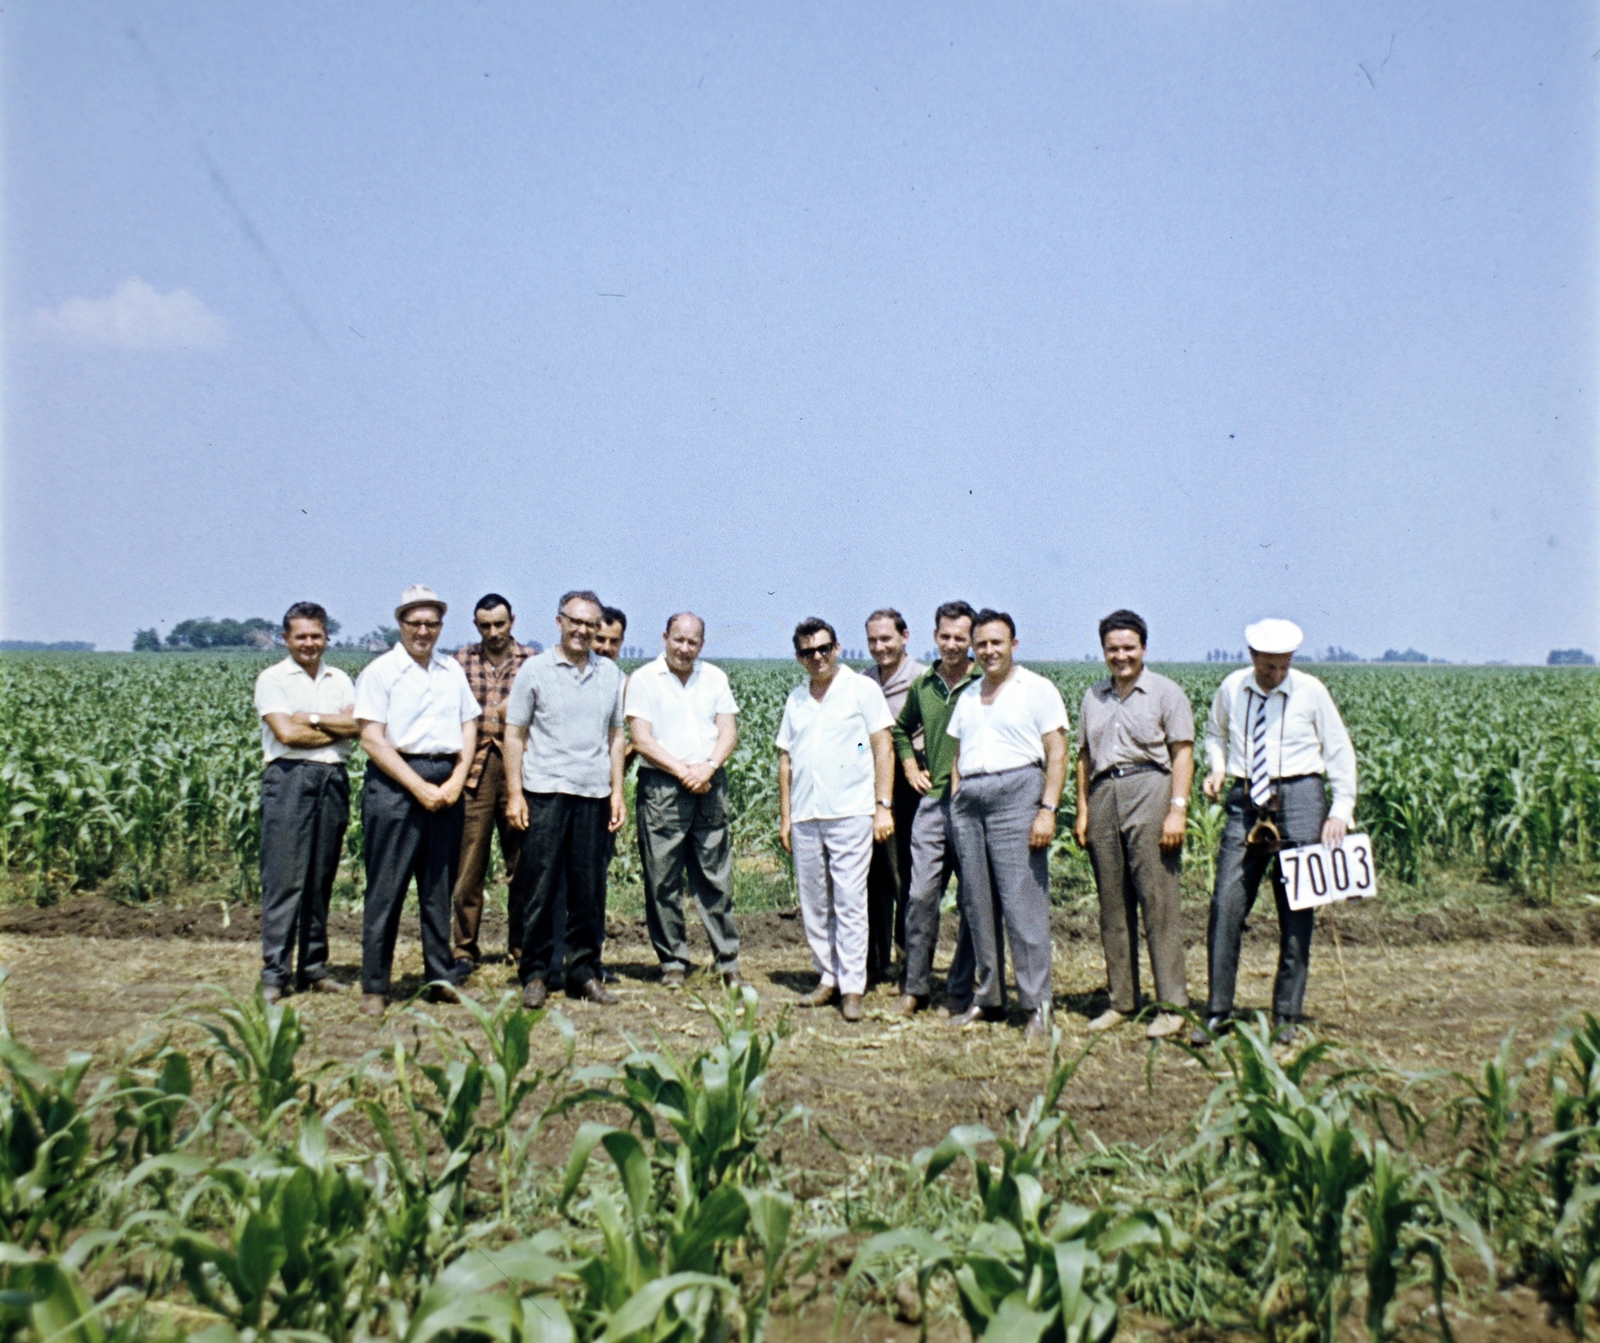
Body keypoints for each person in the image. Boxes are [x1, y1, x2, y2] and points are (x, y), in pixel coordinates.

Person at [1195, 618, 1357, 1046]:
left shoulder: (1312, 691)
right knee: (1225, 904)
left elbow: (1339, 750)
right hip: (1245, 799)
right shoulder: (1232, 688)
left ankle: (1286, 1013)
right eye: (1268, 667)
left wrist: (1340, 809)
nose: (1276, 674)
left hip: (1301, 796)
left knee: (1297, 909)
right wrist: (1216, 767)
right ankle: (1218, 1012)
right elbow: (1215, 733)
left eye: (1283, 665)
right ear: (1252, 658)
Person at [353, 585, 482, 1016]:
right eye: (415, 623)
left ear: (441, 626)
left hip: (446, 781)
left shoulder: (451, 671)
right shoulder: (380, 672)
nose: (423, 631)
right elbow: (372, 739)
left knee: (437, 888)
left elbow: (469, 728)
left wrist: (455, 781)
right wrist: (418, 787)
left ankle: (439, 977)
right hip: (395, 785)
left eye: (431, 623)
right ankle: (375, 984)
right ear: (401, 624)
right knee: (386, 889)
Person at [945, 610, 1069, 1039]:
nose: (989, 651)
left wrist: (1047, 810)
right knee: (978, 905)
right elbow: (959, 753)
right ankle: (989, 998)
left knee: (1022, 904)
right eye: (981, 644)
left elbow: (1057, 752)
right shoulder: (967, 696)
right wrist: (959, 793)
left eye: (997, 643)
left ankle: (1038, 1006)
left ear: (1013, 645)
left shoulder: (1037, 689)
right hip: (972, 800)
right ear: (973, 648)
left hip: (1018, 794)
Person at [1073, 610, 1195, 1041]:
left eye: (1129, 648)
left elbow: (1182, 752)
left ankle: (1172, 1006)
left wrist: (1177, 809)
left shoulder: (1166, 692)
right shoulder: (1094, 696)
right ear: (1103, 650)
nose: (1121, 656)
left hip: (1151, 789)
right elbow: (1084, 757)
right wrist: (1084, 811)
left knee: (1157, 901)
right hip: (1106, 792)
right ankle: (1122, 1000)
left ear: (1143, 648)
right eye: (1112, 649)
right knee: (1112, 903)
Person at [504, 590, 626, 1009]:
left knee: (589, 891)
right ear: (559, 622)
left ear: (598, 629)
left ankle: (583, 973)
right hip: (545, 794)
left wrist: (617, 794)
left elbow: (615, 737)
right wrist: (515, 794)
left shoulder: (610, 674)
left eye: (590, 625)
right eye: (575, 622)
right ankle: (536, 973)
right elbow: (514, 735)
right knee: (540, 887)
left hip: (592, 795)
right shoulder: (534, 671)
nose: (582, 631)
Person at [776, 617, 895, 1023]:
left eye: (824, 648)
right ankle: (827, 976)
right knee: (814, 901)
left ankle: (853, 987)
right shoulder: (796, 700)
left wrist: (882, 804)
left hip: (851, 811)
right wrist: (786, 816)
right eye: (809, 652)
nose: (818, 657)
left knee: (848, 899)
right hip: (807, 814)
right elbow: (786, 759)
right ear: (799, 658)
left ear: (837, 648)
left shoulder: (861, 689)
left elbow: (878, 744)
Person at [625, 612, 745, 988]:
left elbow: (728, 731)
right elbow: (641, 739)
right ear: (665, 637)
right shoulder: (644, 679)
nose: (684, 648)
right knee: (663, 879)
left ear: (701, 645)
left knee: (715, 876)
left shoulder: (715, 678)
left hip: (709, 783)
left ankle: (727, 961)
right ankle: (674, 961)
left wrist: (707, 767)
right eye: (678, 639)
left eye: (692, 642)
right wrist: (684, 771)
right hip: (663, 786)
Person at [253, 601, 360, 1003]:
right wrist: (335, 729)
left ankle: (313, 968)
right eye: (301, 636)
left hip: (332, 779)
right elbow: (286, 735)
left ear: (326, 636)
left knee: (320, 878)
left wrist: (311, 719)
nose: (309, 643)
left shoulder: (340, 679)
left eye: (316, 635)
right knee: (285, 880)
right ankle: (275, 974)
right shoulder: (273, 678)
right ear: (286, 639)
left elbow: (357, 726)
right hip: (290, 779)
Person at [891, 601, 981, 1017]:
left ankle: (960, 991)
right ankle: (915, 988)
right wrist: (910, 765)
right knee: (921, 895)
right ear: (934, 636)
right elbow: (899, 729)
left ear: (973, 640)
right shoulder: (924, 684)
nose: (951, 644)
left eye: (960, 638)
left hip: (974, 807)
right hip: (932, 806)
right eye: (944, 636)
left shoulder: (985, 682)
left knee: (971, 900)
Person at [449, 594, 537, 976]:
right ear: (476, 625)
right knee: (470, 862)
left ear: (512, 621)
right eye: (485, 625)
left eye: (500, 624)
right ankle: (465, 948)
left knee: (522, 861)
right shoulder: (460, 661)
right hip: (476, 765)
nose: (494, 632)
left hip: (521, 767)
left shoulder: (533, 662)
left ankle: (520, 944)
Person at [862, 608, 924, 987]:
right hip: (868, 784)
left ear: (905, 636)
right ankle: (875, 961)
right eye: (872, 640)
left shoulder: (921, 679)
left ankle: (909, 960)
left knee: (906, 874)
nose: (879, 647)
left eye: (887, 639)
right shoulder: (864, 681)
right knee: (874, 876)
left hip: (908, 784)